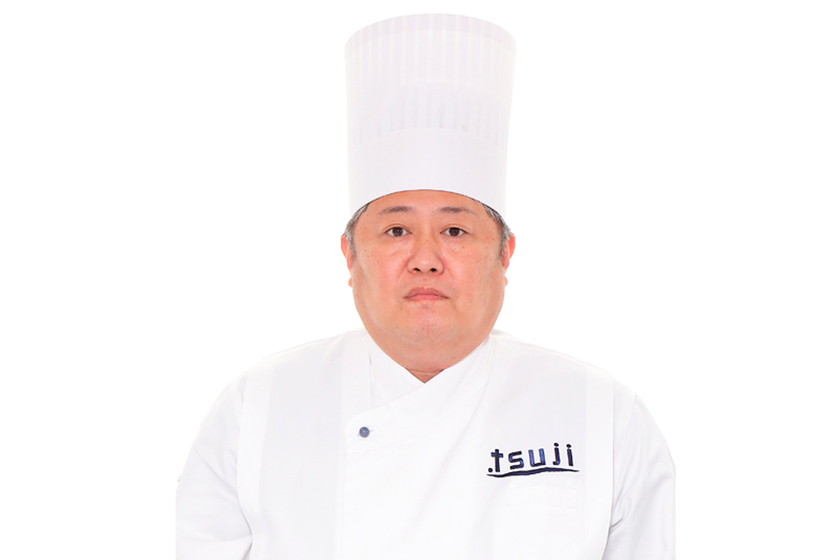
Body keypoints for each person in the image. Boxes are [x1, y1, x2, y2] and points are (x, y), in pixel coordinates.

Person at [176, 14, 675, 560]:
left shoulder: (603, 417)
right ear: (350, 256)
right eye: (396, 230)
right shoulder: (257, 411)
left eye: (455, 231)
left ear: (505, 254)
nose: (425, 260)